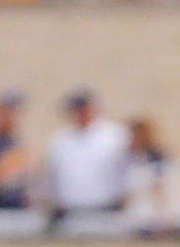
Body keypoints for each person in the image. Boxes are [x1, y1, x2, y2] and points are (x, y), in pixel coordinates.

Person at [41, 90, 130, 223]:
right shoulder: (60, 139)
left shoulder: (114, 136)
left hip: (107, 210)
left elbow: (127, 169)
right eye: (76, 109)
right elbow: (51, 176)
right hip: (68, 211)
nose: (80, 113)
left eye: (84, 108)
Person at [123, 117, 180, 236]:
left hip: (154, 218)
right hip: (144, 215)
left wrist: (163, 221)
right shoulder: (136, 158)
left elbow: (160, 189)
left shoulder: (157, 159)